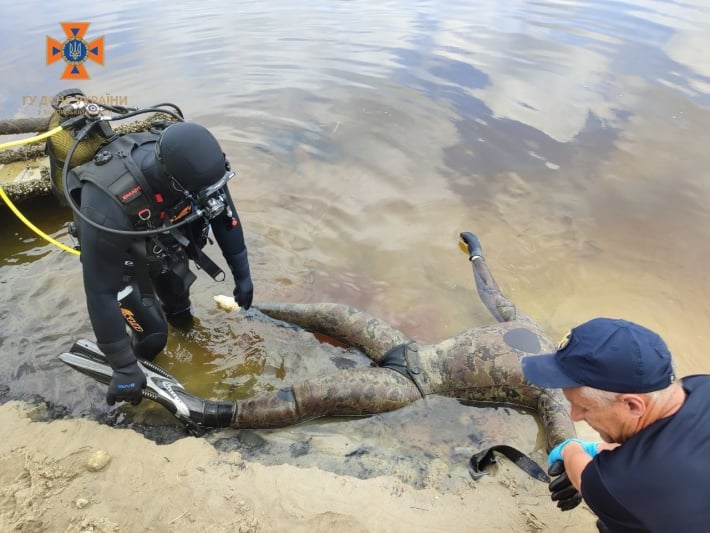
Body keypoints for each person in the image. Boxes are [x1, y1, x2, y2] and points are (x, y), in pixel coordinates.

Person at [62, 231, 574, 455]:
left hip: (412, 383)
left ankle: (208, 412)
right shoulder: (525, 321)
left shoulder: (552, 389)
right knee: (335, 314)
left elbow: (562, 438)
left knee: (314, 395)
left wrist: (569, 469)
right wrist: (477, 255)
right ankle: (253, 310)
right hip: (410, 347)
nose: (571, 341)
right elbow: (494, 295)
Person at [67, 120, 254, 408]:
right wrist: (122, 365)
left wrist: (242, 274)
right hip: (122, 256)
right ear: (174, 183)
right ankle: (136, 371)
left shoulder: (202, 175)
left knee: (180, 307)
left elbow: (224, 216)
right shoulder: (107, 203)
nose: (213, 194)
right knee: (153, 336)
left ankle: (185, 346)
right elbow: (99, 291)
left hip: (162, 239)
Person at [521, 318, 710, 532]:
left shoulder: (624, 484)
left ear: (632, 405)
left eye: (583, 407)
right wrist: (599, 449)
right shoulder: (700, 385)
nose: (574, 416)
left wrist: (571, 449)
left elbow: (585, 477)